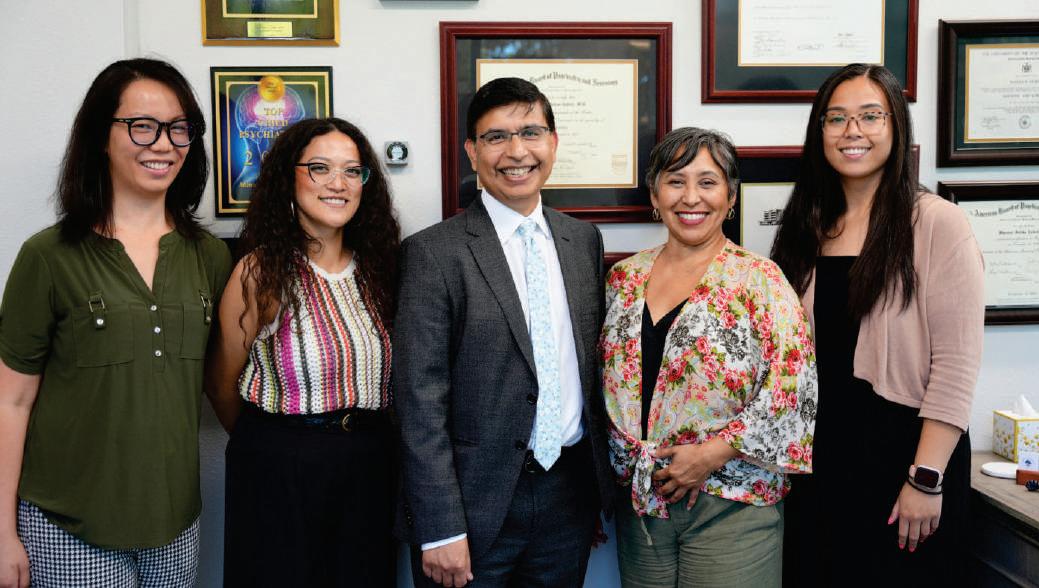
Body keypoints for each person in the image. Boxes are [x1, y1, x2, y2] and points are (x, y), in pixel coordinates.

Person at [0, 58, 231, 587]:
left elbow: (223, 378)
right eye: (142, 126)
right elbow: (10, 401)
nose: (163, 144)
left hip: (175, 523)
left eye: (178, 128)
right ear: (100, 137)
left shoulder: (209, 256)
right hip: (68, 524)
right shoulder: (48, 256)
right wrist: (3, 531)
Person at [394, 77, 615, 588]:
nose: (516, 152)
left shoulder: (582, 240)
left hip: (568, 497)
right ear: (472, 152)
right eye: (496, 137)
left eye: (530, 133)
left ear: (553, 143)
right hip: (471, 505)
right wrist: (440, 526)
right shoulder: (434, 253)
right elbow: (418, 400)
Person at [771, 63, 984, 585]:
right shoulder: (805, 225)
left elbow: (956, 366)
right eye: (836, 118)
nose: (853, 131)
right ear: (819, 130)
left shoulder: (937, 223)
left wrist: (926, 478)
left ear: (897, 126)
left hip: (905, 460)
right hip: (820, 461)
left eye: (871, 116)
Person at [602, 127, 817, 587]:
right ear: (654, 195)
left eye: (707, 182)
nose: (690, 197)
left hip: (731, 501)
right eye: (675, 181)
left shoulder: (761, 281)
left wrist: (708, 456)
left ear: (730, 196)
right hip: (643, 504)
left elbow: (792, 390)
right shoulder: (623, 278)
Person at [207, 117, 400, 587]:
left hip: (369, 464)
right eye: (320, 168)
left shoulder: (380, 270)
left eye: (352, 171)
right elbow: (221, 385)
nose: (338, 183)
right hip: (280, 466)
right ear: (287, 178)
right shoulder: (261, 273)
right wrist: (280, 442)